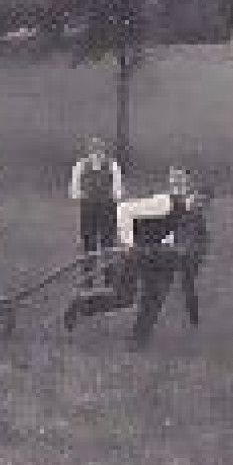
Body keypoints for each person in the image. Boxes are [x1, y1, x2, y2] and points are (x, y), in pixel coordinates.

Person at [63, 166, 209, 347]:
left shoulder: (194, 221)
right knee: (123, 298)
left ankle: (137, 341)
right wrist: (129, 244)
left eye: (204, 204)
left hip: (159, 260)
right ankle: (81, 305)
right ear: (192, 194)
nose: (199, 205)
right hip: (137, 254)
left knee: (154, 297)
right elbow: (125, 209)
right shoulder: (165, 203)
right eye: (197, 199)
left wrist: (192, 311)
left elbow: (187, 259)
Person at [68, 137, 123, 280]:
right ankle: (88, 276)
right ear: (89, 152)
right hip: (88, 207)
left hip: (107, 207)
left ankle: (109, 276)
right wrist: (84, 196)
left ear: (104, 152)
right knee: (88, 241)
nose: (97, 154)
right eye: (93, 151)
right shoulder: (81, 166)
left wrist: (111, 198)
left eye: (100, 151)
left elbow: (118, 189)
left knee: (107, 241)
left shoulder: (112, 166)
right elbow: (74, 190)